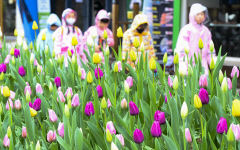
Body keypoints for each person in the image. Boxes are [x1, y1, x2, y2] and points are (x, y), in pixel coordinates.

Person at [175, 3, 215, 74]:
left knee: (203, 83)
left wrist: (213, 62)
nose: (200, 16)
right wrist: (183, 64)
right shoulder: (187, 30)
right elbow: (182, 48)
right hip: (189, 64)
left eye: (202, 14)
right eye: (198, 14)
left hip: (203, 64)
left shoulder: (206, 31)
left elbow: (210, 48)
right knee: (191, 84)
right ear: (192, 15)